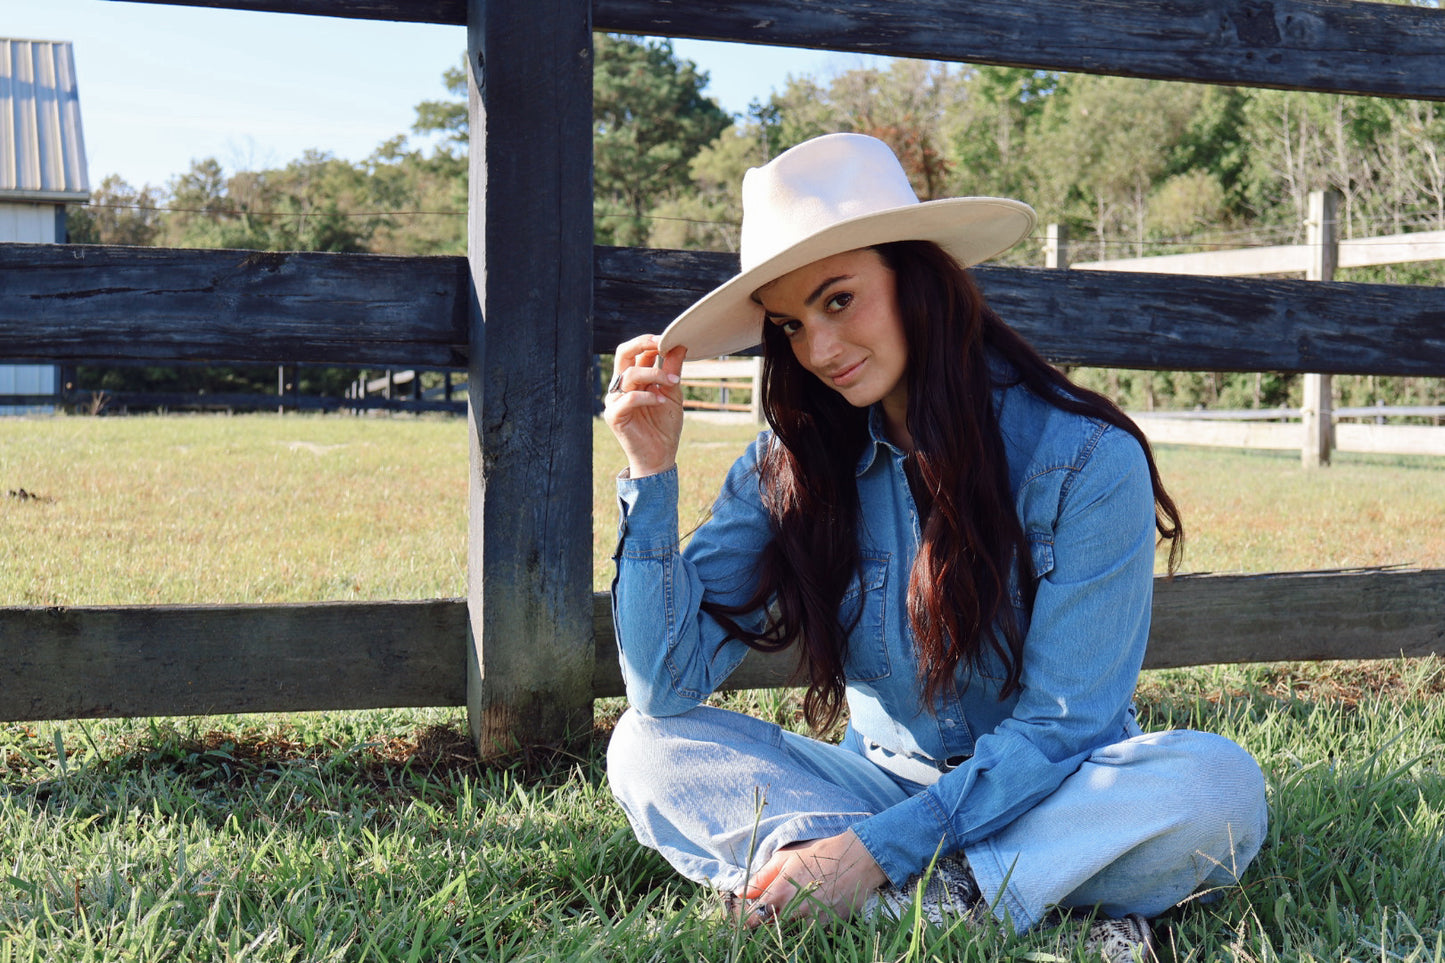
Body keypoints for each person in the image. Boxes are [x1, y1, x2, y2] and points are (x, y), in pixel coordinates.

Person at [601, 132, 1267, 958]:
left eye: (837, 299)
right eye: (789, 324)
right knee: (644, 746)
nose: (819, 350)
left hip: (1055, 791)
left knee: (1215, 785)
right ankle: (1003, 898)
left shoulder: (1085, 460)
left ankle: (901, 898)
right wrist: (650, 470)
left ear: (916, 279)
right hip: (877, 783)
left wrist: (870, 853)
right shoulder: (788, 463)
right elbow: (663, 686)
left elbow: (1062, 729)